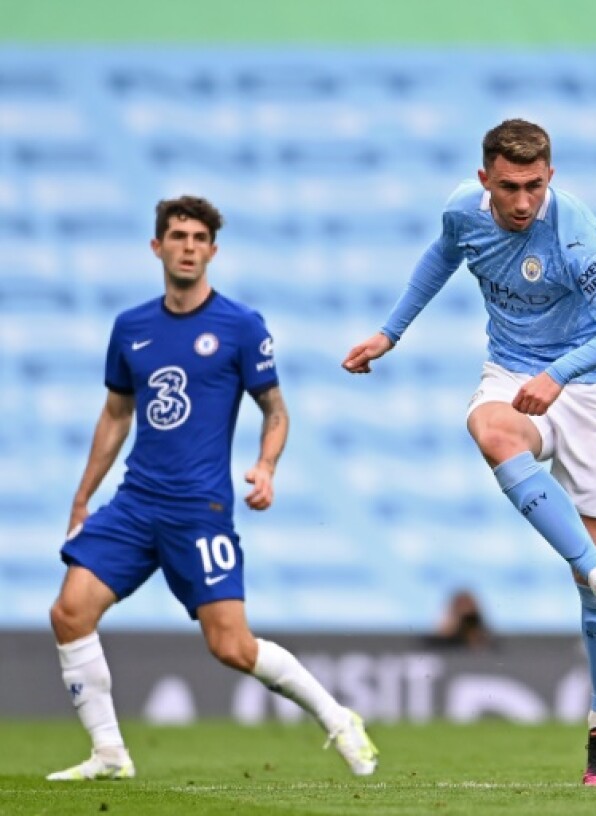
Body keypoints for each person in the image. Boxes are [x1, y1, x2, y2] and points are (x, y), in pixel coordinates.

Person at [343, 118, 596, 785]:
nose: (523, 203)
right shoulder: (464, 211)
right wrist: (389, 332)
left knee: (591, 574)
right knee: (489, 429)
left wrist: (561, 375)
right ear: (485, 179)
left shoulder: (573, 231)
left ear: (551, 177)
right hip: (513, 370)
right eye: (510, 187)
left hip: (587, 384)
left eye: (535, 187)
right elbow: (440, 256)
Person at [47, 196, 379, 781]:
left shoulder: (240, 326)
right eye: (178, 236)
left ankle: (337, 718)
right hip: (134, 504)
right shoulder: (131, 328)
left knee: (231, 646)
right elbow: (115, 415)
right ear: (158, 247)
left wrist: (266, 467)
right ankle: (109, 754)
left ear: (213, 250)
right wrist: (82, 497)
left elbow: (275, 411)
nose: (189, 246)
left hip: (199, 510)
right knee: (70, 612)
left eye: (200, 237)